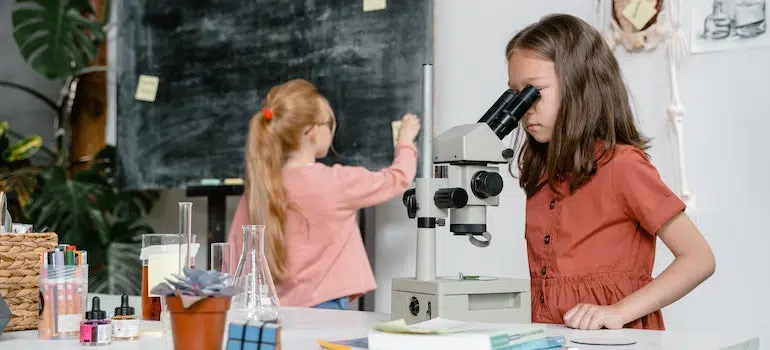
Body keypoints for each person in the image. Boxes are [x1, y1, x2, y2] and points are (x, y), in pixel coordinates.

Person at [505, 14, 715, 330]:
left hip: (616, 340)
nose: (524, 108)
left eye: (534, 92)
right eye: (516, 94)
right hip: (555, 335)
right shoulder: (543, 175)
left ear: (579, 86)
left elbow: (699, 258)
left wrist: (618, 311)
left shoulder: (622, 167)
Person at [227, 79, 421, 310]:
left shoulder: (258, 192)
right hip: (327, 309)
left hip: (275, 313)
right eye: (329, 124)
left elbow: (232, 260)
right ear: (312, 131)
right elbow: (397, 178)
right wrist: (406, 141)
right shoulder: (336, 182)